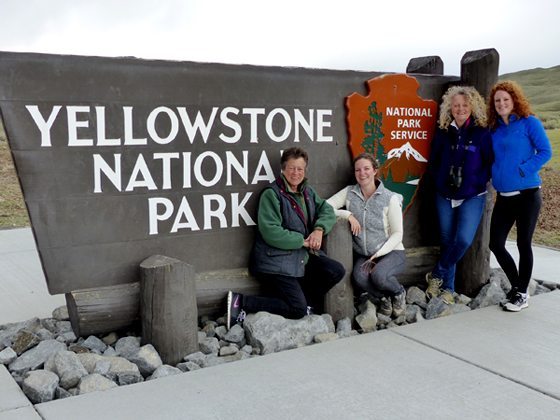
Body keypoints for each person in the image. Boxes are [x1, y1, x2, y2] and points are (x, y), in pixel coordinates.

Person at [226, 147, 345, 329]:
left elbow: (327, 210)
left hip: (299, 257)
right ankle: (242, 303)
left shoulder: (307, 192)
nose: (296, 173)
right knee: (296, 309)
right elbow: (271, 231)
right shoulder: (271, 194)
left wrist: (319, 229)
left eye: (300, 169)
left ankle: (305, 303)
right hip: (274, 260)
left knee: (335, 270)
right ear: (282, 169)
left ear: (305, 171)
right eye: (291, 168)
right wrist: (302, 241)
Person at [424, 86, 493, 304]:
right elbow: (433, 161)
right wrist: (439, 180)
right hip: (444, 194)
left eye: (464, 105)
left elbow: (490, 162)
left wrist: (477, 181)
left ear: (472, 106)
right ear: (450, 108)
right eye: (456, 105)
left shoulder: (482, 133)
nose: (460, 109)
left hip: (472, 195)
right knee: (447, 241)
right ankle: (448, 289)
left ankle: (437, 274)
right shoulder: (443, 132)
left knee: (462, 240)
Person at [487, 80, 552, 312]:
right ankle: (518, 287)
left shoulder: (529, 122)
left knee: (524, 244)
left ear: (514, 100)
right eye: (497, 101)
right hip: (504, 196)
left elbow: (546, 152)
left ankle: (521, 294)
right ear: (493, 105)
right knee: (495, 243)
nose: (502, 103)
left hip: (527, 194)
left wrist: (524, 169)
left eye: (506, 99)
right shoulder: (494, 129)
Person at [327, 153, 406, 318]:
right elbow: (325, 206)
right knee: (359, 278)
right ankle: (383, 298)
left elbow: (398, 234)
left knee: (378, 275)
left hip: (392, 252)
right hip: (365, 254)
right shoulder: (350, 193)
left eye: (366, 169)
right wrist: (347, 214)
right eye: (358, 170)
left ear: (375, 171)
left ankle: (398, 293)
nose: (362, 173)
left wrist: (378, 254)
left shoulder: (389, 198)